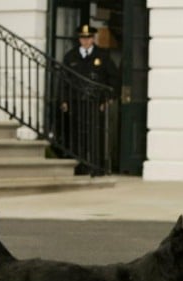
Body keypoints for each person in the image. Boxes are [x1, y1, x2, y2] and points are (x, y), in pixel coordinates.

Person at [60, 24, 120, 175]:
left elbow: (114, 80)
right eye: (82, 38)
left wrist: (108, 100)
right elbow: (64, 80)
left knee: (95, 135)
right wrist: (64, 100)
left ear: (93, 38)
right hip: (76, 102)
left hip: (95, 103)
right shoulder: (70, 56)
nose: (85, 41)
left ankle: (97, 167)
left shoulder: (103, 56)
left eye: (88, 38)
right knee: (77, 134)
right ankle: (79, 167)